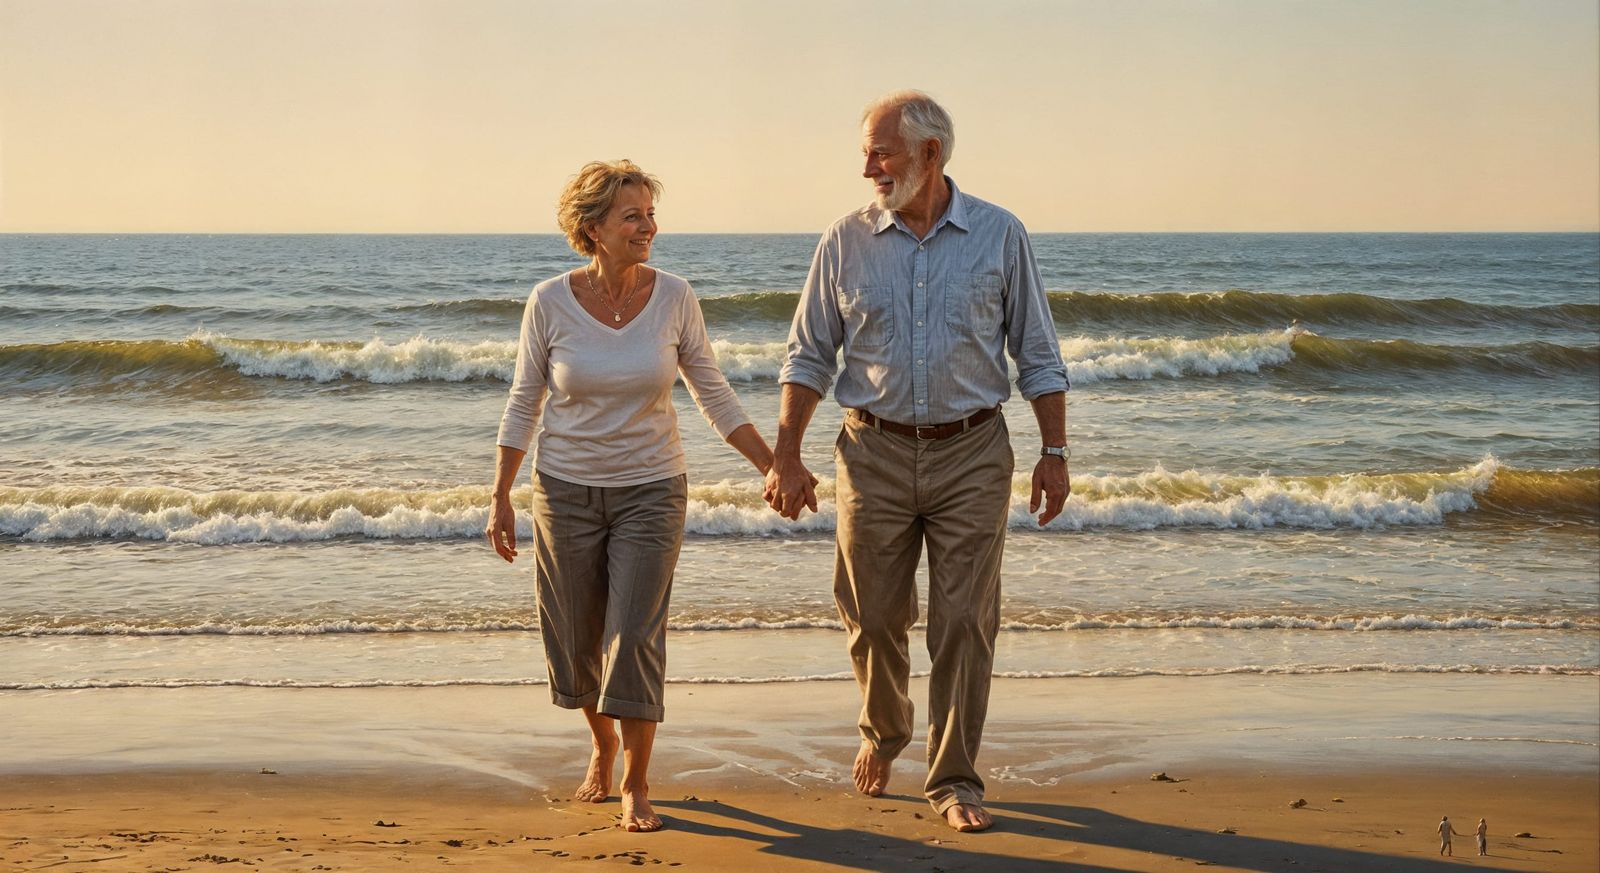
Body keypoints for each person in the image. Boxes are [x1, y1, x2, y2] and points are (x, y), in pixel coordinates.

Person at [766, 90, 1070, 833]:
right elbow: (809, 352)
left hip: (972, 451)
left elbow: (1037, 349)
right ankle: (885, 726)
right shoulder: (844, 240)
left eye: (882, 151)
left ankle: (956, 776)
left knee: (965, 620)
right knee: (871, 615)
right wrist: (787, 450)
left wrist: (1054, 451)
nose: (868, 166)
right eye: (868, 152)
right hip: (870, 451)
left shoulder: (1000, 235)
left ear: (931, 154)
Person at [487, 160, 774, 832]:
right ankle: (601, 742)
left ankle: (637, 783)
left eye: (650, 213)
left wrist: (773, 462)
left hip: (652, 487)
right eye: (633, 216)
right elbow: (525, 397)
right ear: (592, 228)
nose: (649, 226)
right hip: (563, 492)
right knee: (578, 638)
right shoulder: (549, 301)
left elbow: (712, 389)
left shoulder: (675, 296)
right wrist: (501, 492)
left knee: (635, 634)